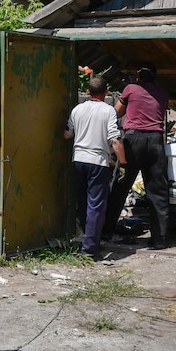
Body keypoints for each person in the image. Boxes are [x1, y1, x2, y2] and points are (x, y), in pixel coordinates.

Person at [104, 63, 171, 249]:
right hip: (156, 141)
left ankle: (106, 230)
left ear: (138, 76)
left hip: (134, 140)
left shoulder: (131, 88)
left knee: (120, 186)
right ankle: (160, 239)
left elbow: (116, 112)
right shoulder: (163, 92)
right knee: (157, 191)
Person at [65, 76, 126, 259]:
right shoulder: (109, 111)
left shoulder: (77, 109)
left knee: (83, 203)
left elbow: (67, 135)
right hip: (98, 162)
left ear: (88, 92)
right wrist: (123, 162)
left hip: (78, 161)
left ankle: (85, 238)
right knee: (96, 206)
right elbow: (115, 140)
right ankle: (90, 250)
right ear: (107, 92)